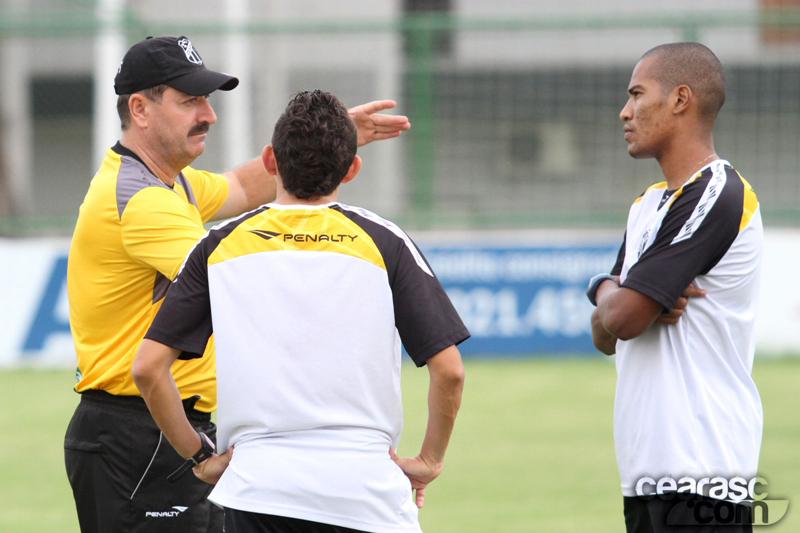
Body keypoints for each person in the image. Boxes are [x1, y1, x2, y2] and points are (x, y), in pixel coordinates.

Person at [65, 35, 411, 533]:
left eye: (206, 99)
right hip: (137, 435)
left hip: (156, 429)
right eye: (189, 101)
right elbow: (240, 277)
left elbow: (246, 186)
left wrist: (328, 140)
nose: (209, 114)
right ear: (139, 109)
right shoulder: (142, 201)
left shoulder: (167, 182)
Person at [131, 89, 468, 533]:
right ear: (351, 170)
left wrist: (200, 456)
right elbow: (450, 372)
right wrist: (428, 460)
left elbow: (149, 369)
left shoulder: (218, 245)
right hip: (366, 494)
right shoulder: (384, 241)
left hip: (257, 491)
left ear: (270, 160)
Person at [587, 43, 763, 533]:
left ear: (681, 99)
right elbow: (605, 334)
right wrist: (605, 287)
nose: (625, 111)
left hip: (704, 469)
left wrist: (617, 300)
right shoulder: (647, 205)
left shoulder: (718, 192)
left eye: (637, 94)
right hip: (647, 471)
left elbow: (623, 320)